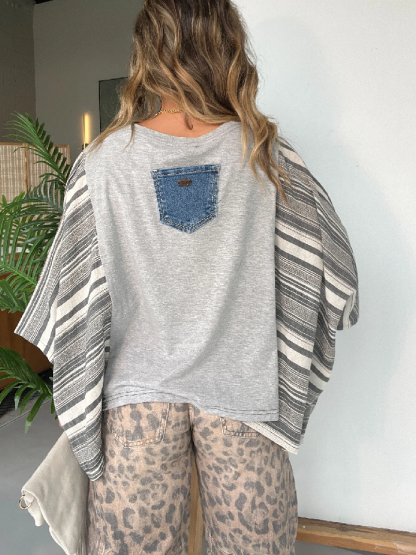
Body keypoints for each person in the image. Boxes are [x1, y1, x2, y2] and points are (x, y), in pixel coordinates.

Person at [16, 1, 359, 554]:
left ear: (146, 55)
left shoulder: (103, 163)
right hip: (244, 402)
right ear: (228, 48)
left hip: (136, 408)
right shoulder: (269, 156)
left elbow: (75, 297)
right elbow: (332, 272)